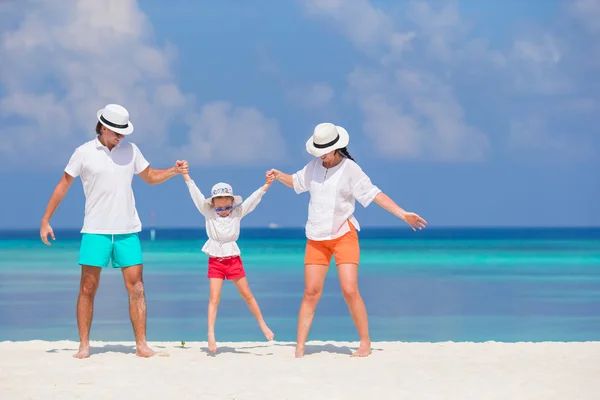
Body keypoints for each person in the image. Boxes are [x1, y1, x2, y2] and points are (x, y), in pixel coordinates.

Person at [39, 103, 189, 359]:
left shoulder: (131, 150)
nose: (121, 137)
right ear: (103, 127)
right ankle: (84, 345)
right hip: (95, 229)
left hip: (127, 229)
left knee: (137, 288)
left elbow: (150, 176)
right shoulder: (83, 152)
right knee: (87, 287)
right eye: (117, 132)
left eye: (123, 132)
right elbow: (63, 185)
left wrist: (174, 171)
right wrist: (46, 220)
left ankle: (141, 345)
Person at [267, 122, 427, 358]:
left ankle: (365, 343)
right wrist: (279, 175)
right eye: (318, 150)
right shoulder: (313, 166)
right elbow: (297, 182)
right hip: (316, 237)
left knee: (349, 290)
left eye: (324, 150)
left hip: (344, 235)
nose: (320, 154)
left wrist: (403, 214)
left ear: (336, 147)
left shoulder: (351, 169)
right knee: (311, 292)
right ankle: (299, 348)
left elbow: (374, 194)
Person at [182, 171, 275, 353]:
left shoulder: (237, 212)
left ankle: (263, 324)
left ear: (232, 202)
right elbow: (195, 194)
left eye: (227, 203)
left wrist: (267, 185)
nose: (224, 207)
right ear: (213, 203)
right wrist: (186, 175)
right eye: (220, 203)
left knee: (247, 294)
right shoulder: (207, 212)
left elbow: (252, 200)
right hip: (215, 259)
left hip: (233, 259)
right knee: (214, 298)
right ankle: (210, 334)